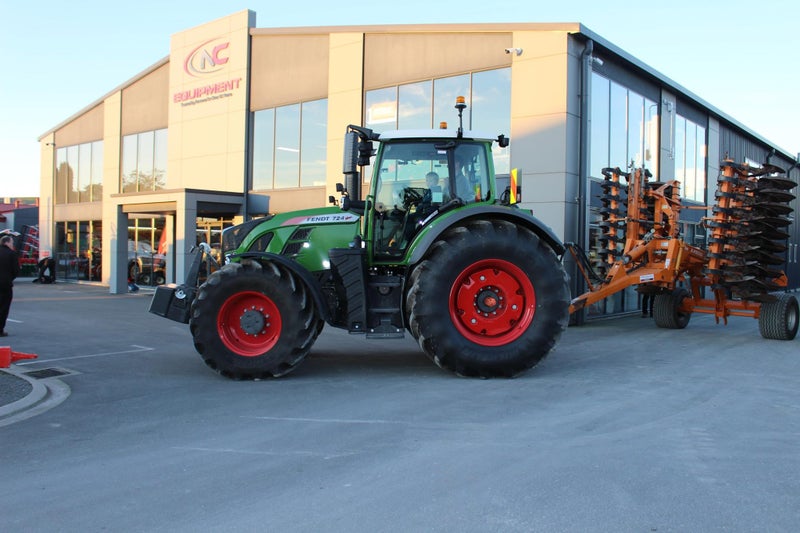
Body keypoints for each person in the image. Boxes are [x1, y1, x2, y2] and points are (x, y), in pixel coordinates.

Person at [0, 235, 20, 337]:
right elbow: (16, 270)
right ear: (6, 242)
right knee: (3, 307)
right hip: (5, 284)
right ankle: (0, 329)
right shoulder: (11, 254)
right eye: (11, 242)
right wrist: (9, 278)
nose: (12, 245)